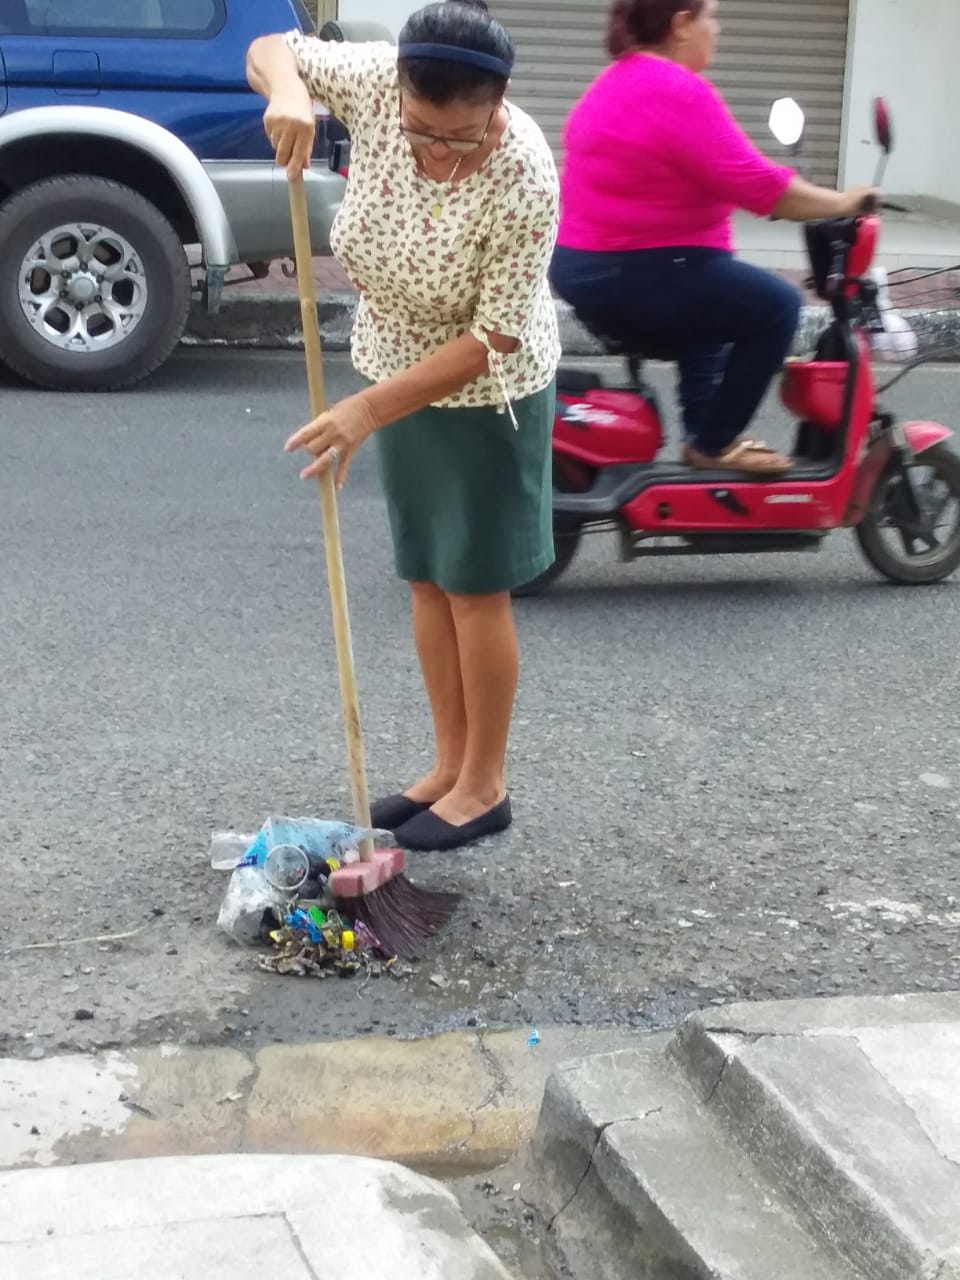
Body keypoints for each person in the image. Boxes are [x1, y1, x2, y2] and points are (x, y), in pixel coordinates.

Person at [246, 1, 560, 852]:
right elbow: (271, 46)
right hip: (396, 367)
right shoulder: (376, 81)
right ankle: (447, 766)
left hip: (488, 387)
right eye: (422, 131)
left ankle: (484, 784)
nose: (437, 155)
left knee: (475, 584)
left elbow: (493, 337)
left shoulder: (527, 176)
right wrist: (289, 94)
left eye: (461, 137)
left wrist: (367, 410)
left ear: (498, 105)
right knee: (427, 576)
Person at [550, 0, 877, 474]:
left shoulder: (617, 80)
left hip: (590, 266)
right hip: (629, 266)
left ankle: (705, 438)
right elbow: (760, 186)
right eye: (711, 17)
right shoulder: (675, 89)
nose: (717, 30)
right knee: (776, 307)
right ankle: (716, 441)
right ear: (682, 24)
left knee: (715, 299)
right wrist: (846, 201)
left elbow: (704, 173)